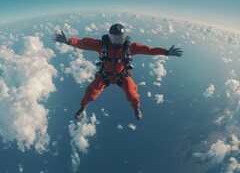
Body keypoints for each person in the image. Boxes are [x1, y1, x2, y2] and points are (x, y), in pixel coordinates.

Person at [52, 23, 182, 120]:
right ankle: (82, 107)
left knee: (132, 94)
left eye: (120, 38)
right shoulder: (102, 45)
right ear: (109, 37)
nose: (117, 41)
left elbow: (149, 50)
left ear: (124, 37)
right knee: (91, 94)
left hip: (122, 76)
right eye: (114, 38)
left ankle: (136, 108)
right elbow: (84, 43)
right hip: (105, 76)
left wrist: (165, 52)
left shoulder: (130, 48)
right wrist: (70, 41)